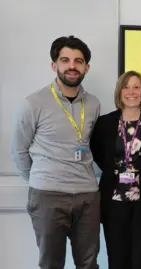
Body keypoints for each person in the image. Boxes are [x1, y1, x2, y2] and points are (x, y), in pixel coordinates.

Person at [10, 35, 101, 269]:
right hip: (48, 195)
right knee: (51, 264)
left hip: (87, 195)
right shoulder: (34, 103)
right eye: (65, 60)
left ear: (86, 68)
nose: (72, 66)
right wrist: (39, 180)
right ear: (55, 65)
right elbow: (19, 150)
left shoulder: (93, 104)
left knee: (89, 264)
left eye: (78, 61)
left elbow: (92, 144)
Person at [90, 70, 141, 269]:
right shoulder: (105, 123)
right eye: (126, 87)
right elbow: (98, 155)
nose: (131, 92)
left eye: (137, 87)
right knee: (116, 261)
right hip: (113, 205)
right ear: (119, 92)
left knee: (139, 261)